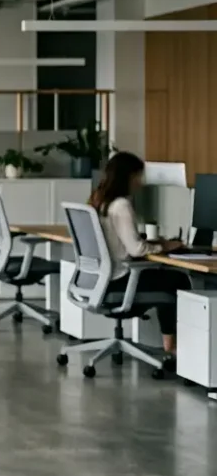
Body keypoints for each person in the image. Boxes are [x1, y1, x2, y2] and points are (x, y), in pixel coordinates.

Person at [90, 151, 188, 355]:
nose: (141, 182)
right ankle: (172, 346)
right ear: (129, 177)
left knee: (166, 278)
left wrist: (154, 243)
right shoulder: (122, 205)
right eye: (138, 176)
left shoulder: (100, 202)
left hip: (103, 280)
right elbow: (136, 249)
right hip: (121, 281)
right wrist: (164, 246)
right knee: (178, 281)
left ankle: (171, 344)